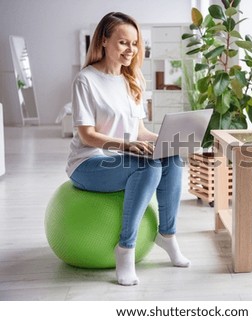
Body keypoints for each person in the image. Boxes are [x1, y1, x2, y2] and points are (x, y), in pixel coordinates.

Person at [66, 12, 190, 286]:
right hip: (88, 163)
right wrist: (127, 145)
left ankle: (167, 235)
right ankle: (126, 248)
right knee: (148, 166)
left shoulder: (130, 80)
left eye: (134, 44)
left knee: (171, 158)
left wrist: (168, 139)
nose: (131, 50)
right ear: (104, 40)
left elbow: (139, 131)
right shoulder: (85, 80)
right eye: (123, 43)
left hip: (122, 157)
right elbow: (87, 135)